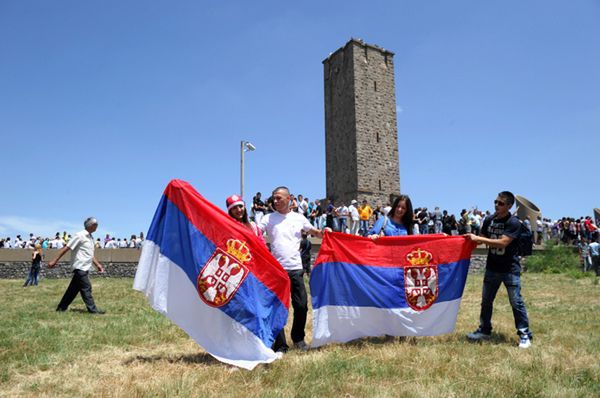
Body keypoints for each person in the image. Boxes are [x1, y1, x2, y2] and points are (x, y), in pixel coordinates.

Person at [258, 186, 331, 352]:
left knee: (301, 306)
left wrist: (326, 232)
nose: (275, 201)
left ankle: (298, 338)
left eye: (278, 198)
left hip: (296, 269)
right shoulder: (268, 218)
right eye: (273, 198)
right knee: (277, 309)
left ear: (289, 198)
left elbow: (314, 232)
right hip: (276, 271)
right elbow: (254, 232)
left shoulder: (299, 218)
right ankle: (280, 345)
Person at [465, 191, 533, 348]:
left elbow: (503, 242)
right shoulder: (489, 220)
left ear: (509, 206)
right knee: (486, 302)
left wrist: (478, 238)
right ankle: (484, 330)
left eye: (501, 203)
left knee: (516, 302)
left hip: (510, 269)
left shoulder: (513, 223)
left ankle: (524, 334)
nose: (496, 205)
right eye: (495, 202)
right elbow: (479, 240)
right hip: (492, 268)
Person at [49, 217, 106, 314]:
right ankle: (93, 310)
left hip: (85, 266)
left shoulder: (91, 238)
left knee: (72, 290)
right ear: (91, 225)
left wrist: (98, 265)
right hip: (80, 267)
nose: (97, 226)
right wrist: (54, 260)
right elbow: (66, 248)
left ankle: (61, 308)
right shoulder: (79, 235)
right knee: (86, 287)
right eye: (96, 224)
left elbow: (89, 255)